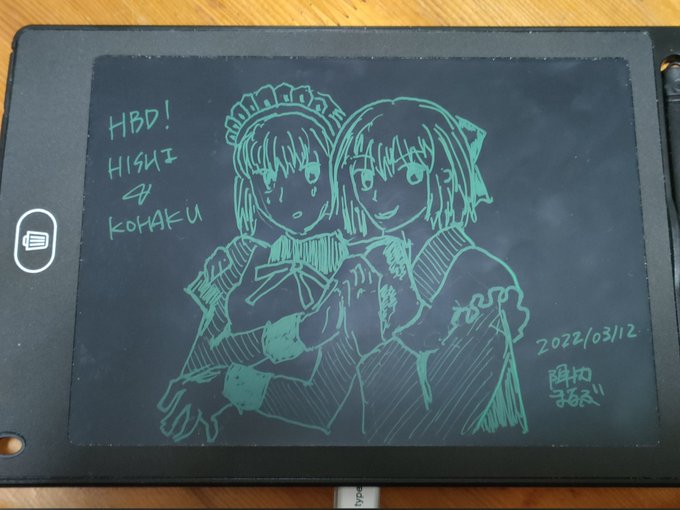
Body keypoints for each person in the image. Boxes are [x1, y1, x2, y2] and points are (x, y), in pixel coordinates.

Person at [157, 83, 349, 443]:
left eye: (310, 173)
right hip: (226, 437)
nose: (289, 194)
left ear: (336, 171)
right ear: (251, 190)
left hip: (311, 440)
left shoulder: (356, 263)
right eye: (269, 180)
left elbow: (324, 401)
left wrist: (224, 382)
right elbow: (201, 356)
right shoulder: (239, 257)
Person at [332, 97, 530, 443]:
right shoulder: (380, 268)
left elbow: (449, 417)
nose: (378, 193)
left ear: (445, 176)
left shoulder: (478, 279)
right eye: (364, 177)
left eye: (408, 173)